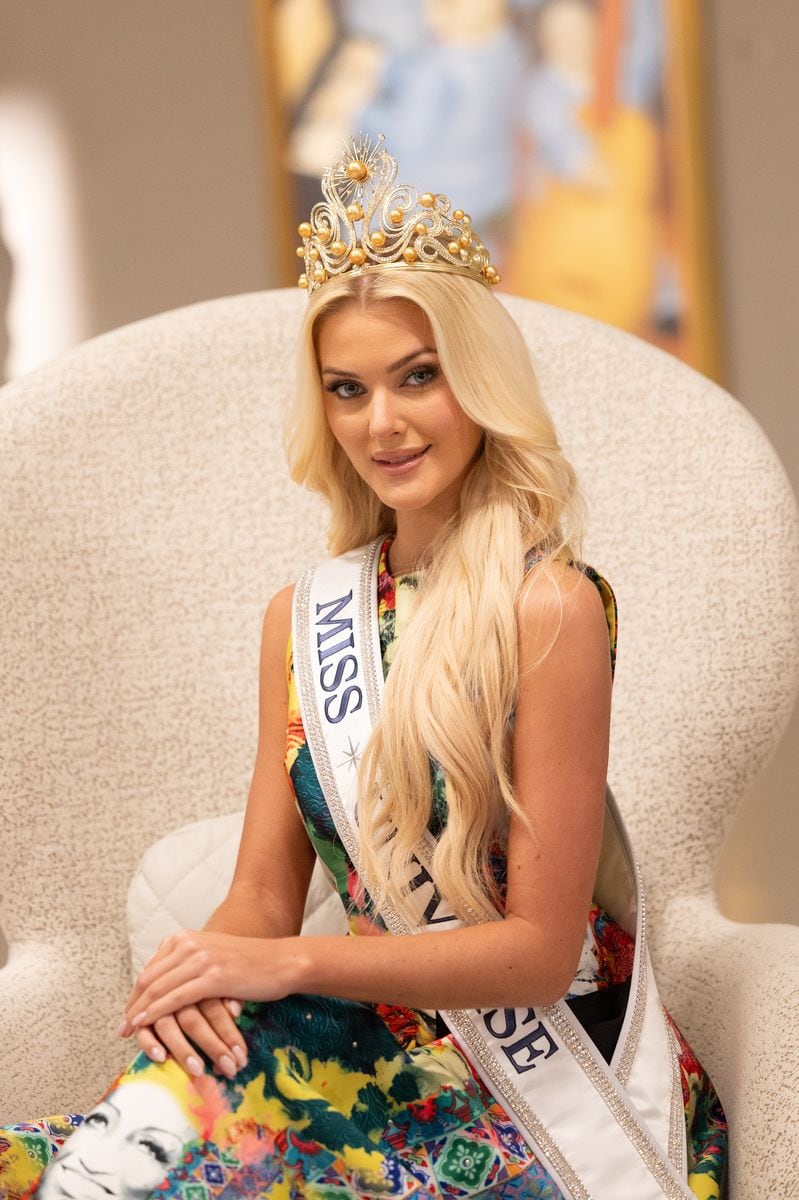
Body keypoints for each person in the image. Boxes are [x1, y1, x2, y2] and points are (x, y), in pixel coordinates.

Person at [0, 134, 727, 1200]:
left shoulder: (551, 607)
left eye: (416, 377)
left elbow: (534, 950)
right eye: (347, 389)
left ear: (476, 383)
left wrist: (286, 962)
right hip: (364, 1051)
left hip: (541, 1089)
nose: (380, 423)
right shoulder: (300, 618)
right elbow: (259, 891)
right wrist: (201, 971)